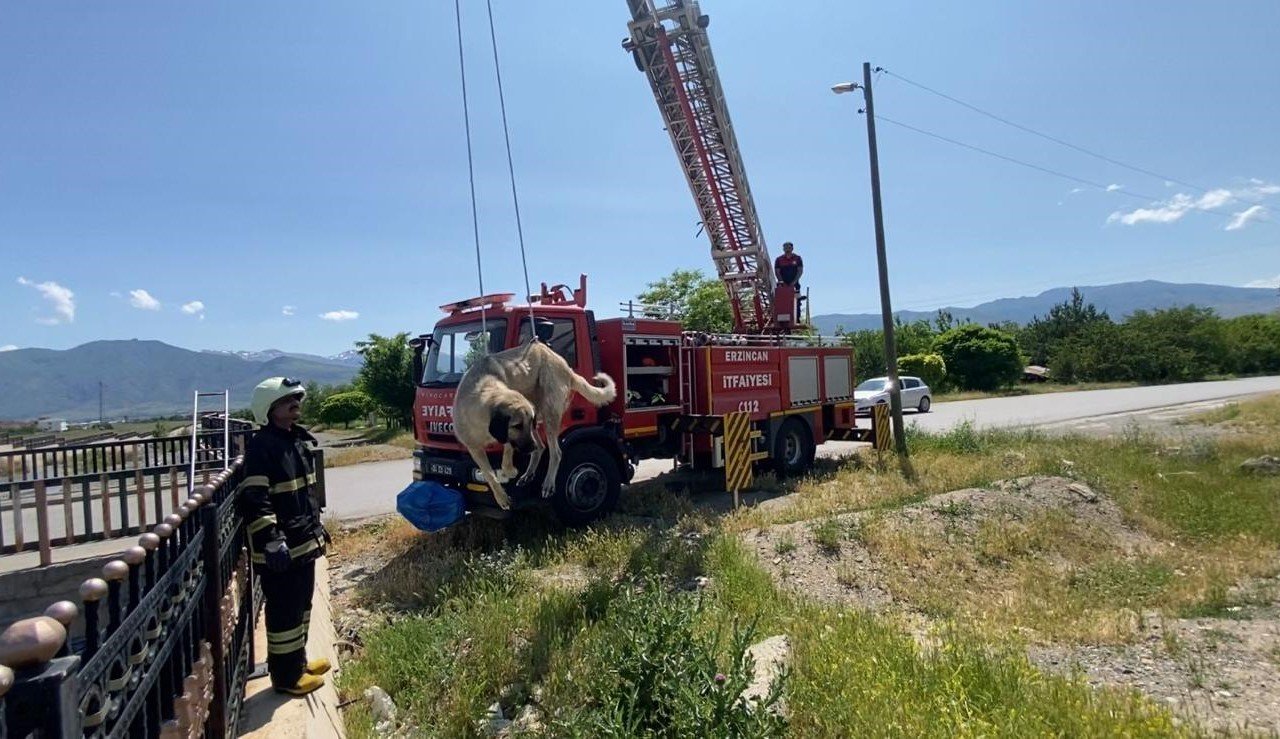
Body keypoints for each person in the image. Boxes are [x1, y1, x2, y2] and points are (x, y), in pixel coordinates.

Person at [239, 377, 331, 696]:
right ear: (269, 409)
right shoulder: (263, 447)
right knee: (284, 614)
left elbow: (303, 495)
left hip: (302, 543)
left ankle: (299, 662)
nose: (296, 406)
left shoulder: (294, 441)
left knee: (301, 607)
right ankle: (286, 678)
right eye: (288, 401)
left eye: (297, 399)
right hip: (282, 550)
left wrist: (317, 529)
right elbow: (255, 498)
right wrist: (272, 539)